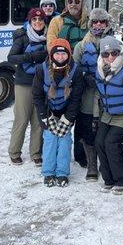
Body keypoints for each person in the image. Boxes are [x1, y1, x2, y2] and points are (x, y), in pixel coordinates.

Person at [32, 38, 85, 187]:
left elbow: (76, 98)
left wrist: (68, 118)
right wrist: (43, 116)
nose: (60, 57)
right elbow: (37, 95)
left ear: (69, 54)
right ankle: (48, 172)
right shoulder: (41, 70)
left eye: (64, 54)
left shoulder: (76, 71)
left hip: (65, 111)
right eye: (57, 54)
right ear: (51, 55)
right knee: (49, 139)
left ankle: (62, 172)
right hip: (48, 110)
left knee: (65, 140)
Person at [95, 36, 123, 194]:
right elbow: (98, 95)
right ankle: (109, 179)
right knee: (99, 142)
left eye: (114, 53)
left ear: (120, 52)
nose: (110, 57)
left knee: (112, 143)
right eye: (105, 54)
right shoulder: (100, 69)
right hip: (108, 114)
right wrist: (96, 117)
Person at [72, 8, 113, 181]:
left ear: (107, 24)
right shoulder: (81, 45)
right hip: (87, 93)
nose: (98, 25)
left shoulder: (112, 44)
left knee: (104, 126)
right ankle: (87, 159)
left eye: (102, 22)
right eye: (95, 22)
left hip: (106, 93)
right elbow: (73, 68)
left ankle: (104, 158)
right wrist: (84, 75)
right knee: (86, 125)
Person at [7, 8, 48, 166]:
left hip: (41, 83)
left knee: (38, 119)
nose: (37, 22)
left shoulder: (47, 38)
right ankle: (14, 151)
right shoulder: (22, 37)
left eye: (40, 20)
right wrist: (30, 57)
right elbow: (11, 58)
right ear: (30, 22)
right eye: (34, 20)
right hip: (24, 83)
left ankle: (36, 153)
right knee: (22, 118)